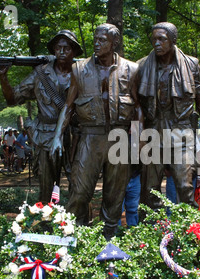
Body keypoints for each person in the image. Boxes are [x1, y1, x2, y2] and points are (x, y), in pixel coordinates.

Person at [50, 23, 141, 240]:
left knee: (114, 194)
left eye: (102, 40)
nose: (96, 43)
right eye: (95, 39)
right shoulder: (79, 69)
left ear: (114, 43)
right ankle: (73, 238)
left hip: (119, 137)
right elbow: (69, 107)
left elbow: (137, 107)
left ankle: (109, 239)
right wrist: (56, 137)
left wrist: (138, 140)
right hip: (90, 137)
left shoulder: (132, 69)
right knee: (79, 191)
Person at [136, 22, 200, 211]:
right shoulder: (142, 66)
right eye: (154, 39)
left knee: (185, 187)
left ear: (173, 41)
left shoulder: (191, 65)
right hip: (153, 130)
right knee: (149, 191)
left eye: (162, 39)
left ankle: (190, 234)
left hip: (182, 130)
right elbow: (137, 104)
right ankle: (149, 236)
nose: (156, 43)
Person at [0, 30, 83, 202]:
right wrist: (3, 78)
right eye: (58, 48)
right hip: (45, 136)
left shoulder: (83, 73)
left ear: (74, 51)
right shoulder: (40, 74)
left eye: (66, 47)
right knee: (46, 185)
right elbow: (13, 98)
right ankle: (45, 221)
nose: (62, 51)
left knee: (79, 184)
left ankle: (79, 223)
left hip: (75, 137)